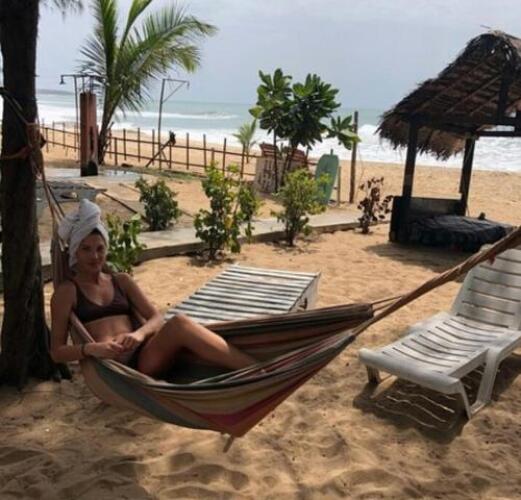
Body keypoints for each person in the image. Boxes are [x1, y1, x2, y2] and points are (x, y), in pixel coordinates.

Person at [50, 199, 257, 377]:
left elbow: (156, 317)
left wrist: (139, 335)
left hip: (145, 355)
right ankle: (257, 371)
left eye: (100, 248)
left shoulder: (121, 281)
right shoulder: (67, 292)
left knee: (179, 323)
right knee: (179, 324)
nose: (95, 256)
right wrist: (93, 349)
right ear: (75, 252)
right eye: (86, 249)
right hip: (114, 369)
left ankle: (258, 371)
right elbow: (57, 352)